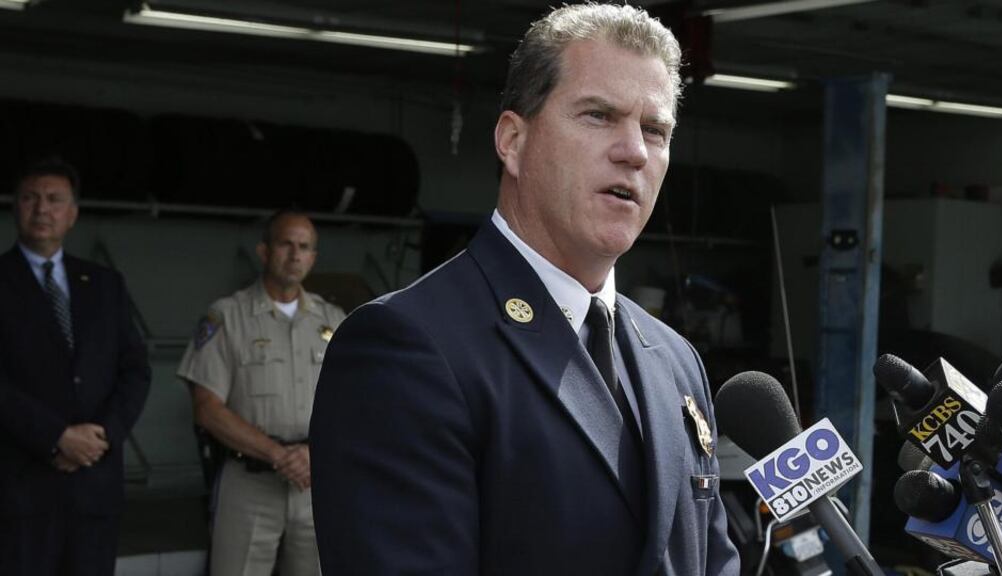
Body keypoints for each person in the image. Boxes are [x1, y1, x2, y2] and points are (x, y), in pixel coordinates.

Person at [309, 4, 740, 576]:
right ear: (513, 141)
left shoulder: (675, 360)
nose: (634, 150)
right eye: (598, 115)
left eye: (655, 130)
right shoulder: (408, 348)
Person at [0, 157, 152, 576]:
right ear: (15, 207)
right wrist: (55, 437)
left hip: (94, 486)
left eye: (54, 199)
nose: (42, 209)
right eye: (31, 198)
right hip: (21, 488)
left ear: (72, 214)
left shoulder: (104, 283)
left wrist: (101, 436)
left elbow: (135, 369)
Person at [177, 210, 346, 576]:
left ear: (313, 258)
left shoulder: (334, 321)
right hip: (249, 481)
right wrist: (277, 455)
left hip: (315, 482)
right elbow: (206, 408)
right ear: (264, 251)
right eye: (286, 244)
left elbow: (356, 406)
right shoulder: (227, 316)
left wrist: (313, 454)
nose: (295, 254)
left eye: (304, 247)